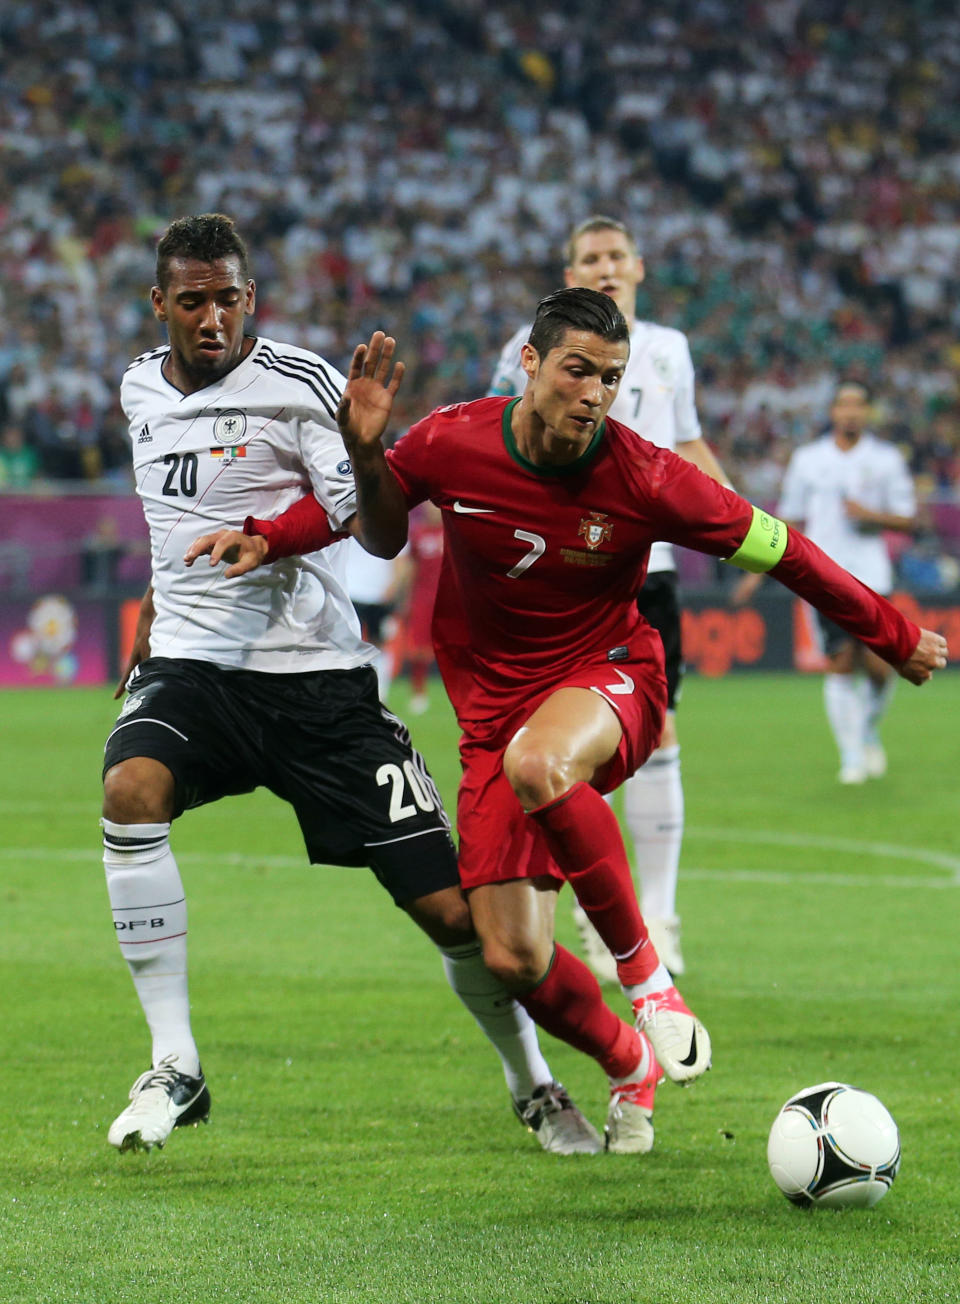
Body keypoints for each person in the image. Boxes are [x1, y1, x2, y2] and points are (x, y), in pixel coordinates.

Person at [197, 290, 947, 1157]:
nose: (595, 393)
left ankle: (650, 985)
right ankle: (630, 1061)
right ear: (531, 364)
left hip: (612, 680)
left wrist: (888, 633)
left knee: (542, 762)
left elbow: (788, 551)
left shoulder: (648, 474)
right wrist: (271, 532)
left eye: (612, 378)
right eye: (579, 370)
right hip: (494, 717)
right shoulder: (454, 438)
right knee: (510, 955)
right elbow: (372, 526)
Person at [101, 213, 601, 1159]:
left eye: (230, 298)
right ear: (159, 304)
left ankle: (531, 1081)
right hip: (195, 672)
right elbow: (170, 523)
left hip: (319, 687)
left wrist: (369, 452)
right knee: (130, 791)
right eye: (193, 300)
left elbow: (380, 536)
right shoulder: (137, 386)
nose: (213, 318)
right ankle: (175, 1062)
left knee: (455, 916)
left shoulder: (306, 387)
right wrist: (149, 624)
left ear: (253, 300)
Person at [490, 216, 732, 979]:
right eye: (590, 258)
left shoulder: (667, 350)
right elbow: (497, 432)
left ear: (638, 267)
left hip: (643, 567)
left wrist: (737, 513)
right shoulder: (522, 353)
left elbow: (687, 440)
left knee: (658, 738)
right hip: (555, 569)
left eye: (616, 256)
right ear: (570, 271)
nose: (605, 267)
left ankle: (657, 916)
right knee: (556, 747)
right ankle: (590, 913)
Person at [735, 381, 918, 783]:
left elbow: (909, 518)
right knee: (838, 663)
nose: (850, 412)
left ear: (868, 412)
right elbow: (790, 521)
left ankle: (868, 732)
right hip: (823, 576)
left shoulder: (886, 459)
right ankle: (851, 756)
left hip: (872, 574)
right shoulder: (808, 459)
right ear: (833, 411)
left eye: (858, 405)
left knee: (881, 666)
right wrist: (758, 570)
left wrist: (871, 515)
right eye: (843, 405)